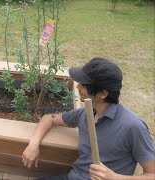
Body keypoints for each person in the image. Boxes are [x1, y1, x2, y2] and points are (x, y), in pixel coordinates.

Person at [22, 58, 155, 180]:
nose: (78, 87)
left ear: (103, 93)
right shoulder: (86, 113)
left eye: (84, 84)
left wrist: (116, 178)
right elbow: (49, 118)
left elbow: (152, 174)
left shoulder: (132, 126)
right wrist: (33, 144)